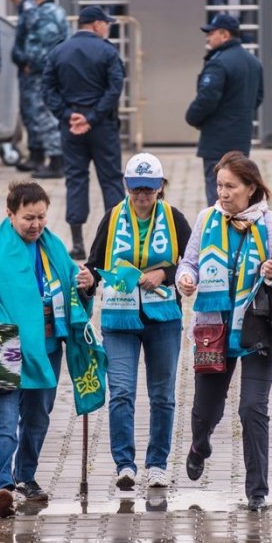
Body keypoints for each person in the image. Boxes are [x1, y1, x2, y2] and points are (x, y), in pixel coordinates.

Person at [0, 180, 97, 518]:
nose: (35, 225)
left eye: (41, 217)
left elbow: (74, 294)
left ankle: (25, 476)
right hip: (2, 347)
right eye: (28, 218)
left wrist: (87, 286)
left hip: (46, 348)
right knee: (2, 419)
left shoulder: (54, 247)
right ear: (10, 214)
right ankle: (3, 487)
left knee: (37, 417)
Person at [176, 151, 272, 512]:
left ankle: (257, 491)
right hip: (214, 327)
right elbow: (190, 260)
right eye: (219, 186)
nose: (223, 193)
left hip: (258, 329)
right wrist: (186, 278)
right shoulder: (206, 219)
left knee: (252, 408)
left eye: (231, 186)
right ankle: (200, 444)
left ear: (251, 188)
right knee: (205, 411)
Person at [84, 153, 191, 490]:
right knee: (121, 393)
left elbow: (191, 263)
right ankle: (124, 464)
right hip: (119, 317)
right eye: (136, 189)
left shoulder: (175, 219)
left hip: (163, 318)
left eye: (149, 189)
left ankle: (157, 463)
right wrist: (87, 281)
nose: (143, 196)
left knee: (162, 395)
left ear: (160, 187)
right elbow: (93, 264)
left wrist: (166, 273)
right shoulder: (113, 217)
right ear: (126, 186)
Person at [42, 5, 124, 259]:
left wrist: (68, 116)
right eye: (106, 23)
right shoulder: (108, 51)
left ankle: (77, 243)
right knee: (110, 179)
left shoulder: (58, 51)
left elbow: (48, 89)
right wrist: (93, 117)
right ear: (97, 24)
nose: (107, 28)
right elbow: (115, 87)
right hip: (102, 125)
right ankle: (116, 241)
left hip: (71, 126)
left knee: (75, 179)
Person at [184, 13, 263, 206]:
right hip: (241, 139)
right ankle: (239, 229)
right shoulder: (253, 62)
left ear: (224, 34)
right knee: (238, 188)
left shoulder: (218, 63)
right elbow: (258, 98)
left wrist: (192, 118)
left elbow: (207, 99)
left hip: (217, 141)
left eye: (210, 34)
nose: (208, 38)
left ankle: (221, 232)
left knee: (219, 191)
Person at [21, 0, 68, 180]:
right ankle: (56, 159)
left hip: (43, 74)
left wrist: (32, 64)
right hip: (52, 72)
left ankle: (56, 162)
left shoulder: (43, 14)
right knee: (49, 116)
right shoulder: (58, 11)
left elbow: (47, 46)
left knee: (46, 116)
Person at [6, 0, 41, 173]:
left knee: (32, 112)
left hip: (29, 70)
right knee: (28, 112)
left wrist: (27, 60)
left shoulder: (28, 9)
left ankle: (37, 154)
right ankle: (35, 153)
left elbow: (31, 39)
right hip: (26, 69)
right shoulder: (25, 8)